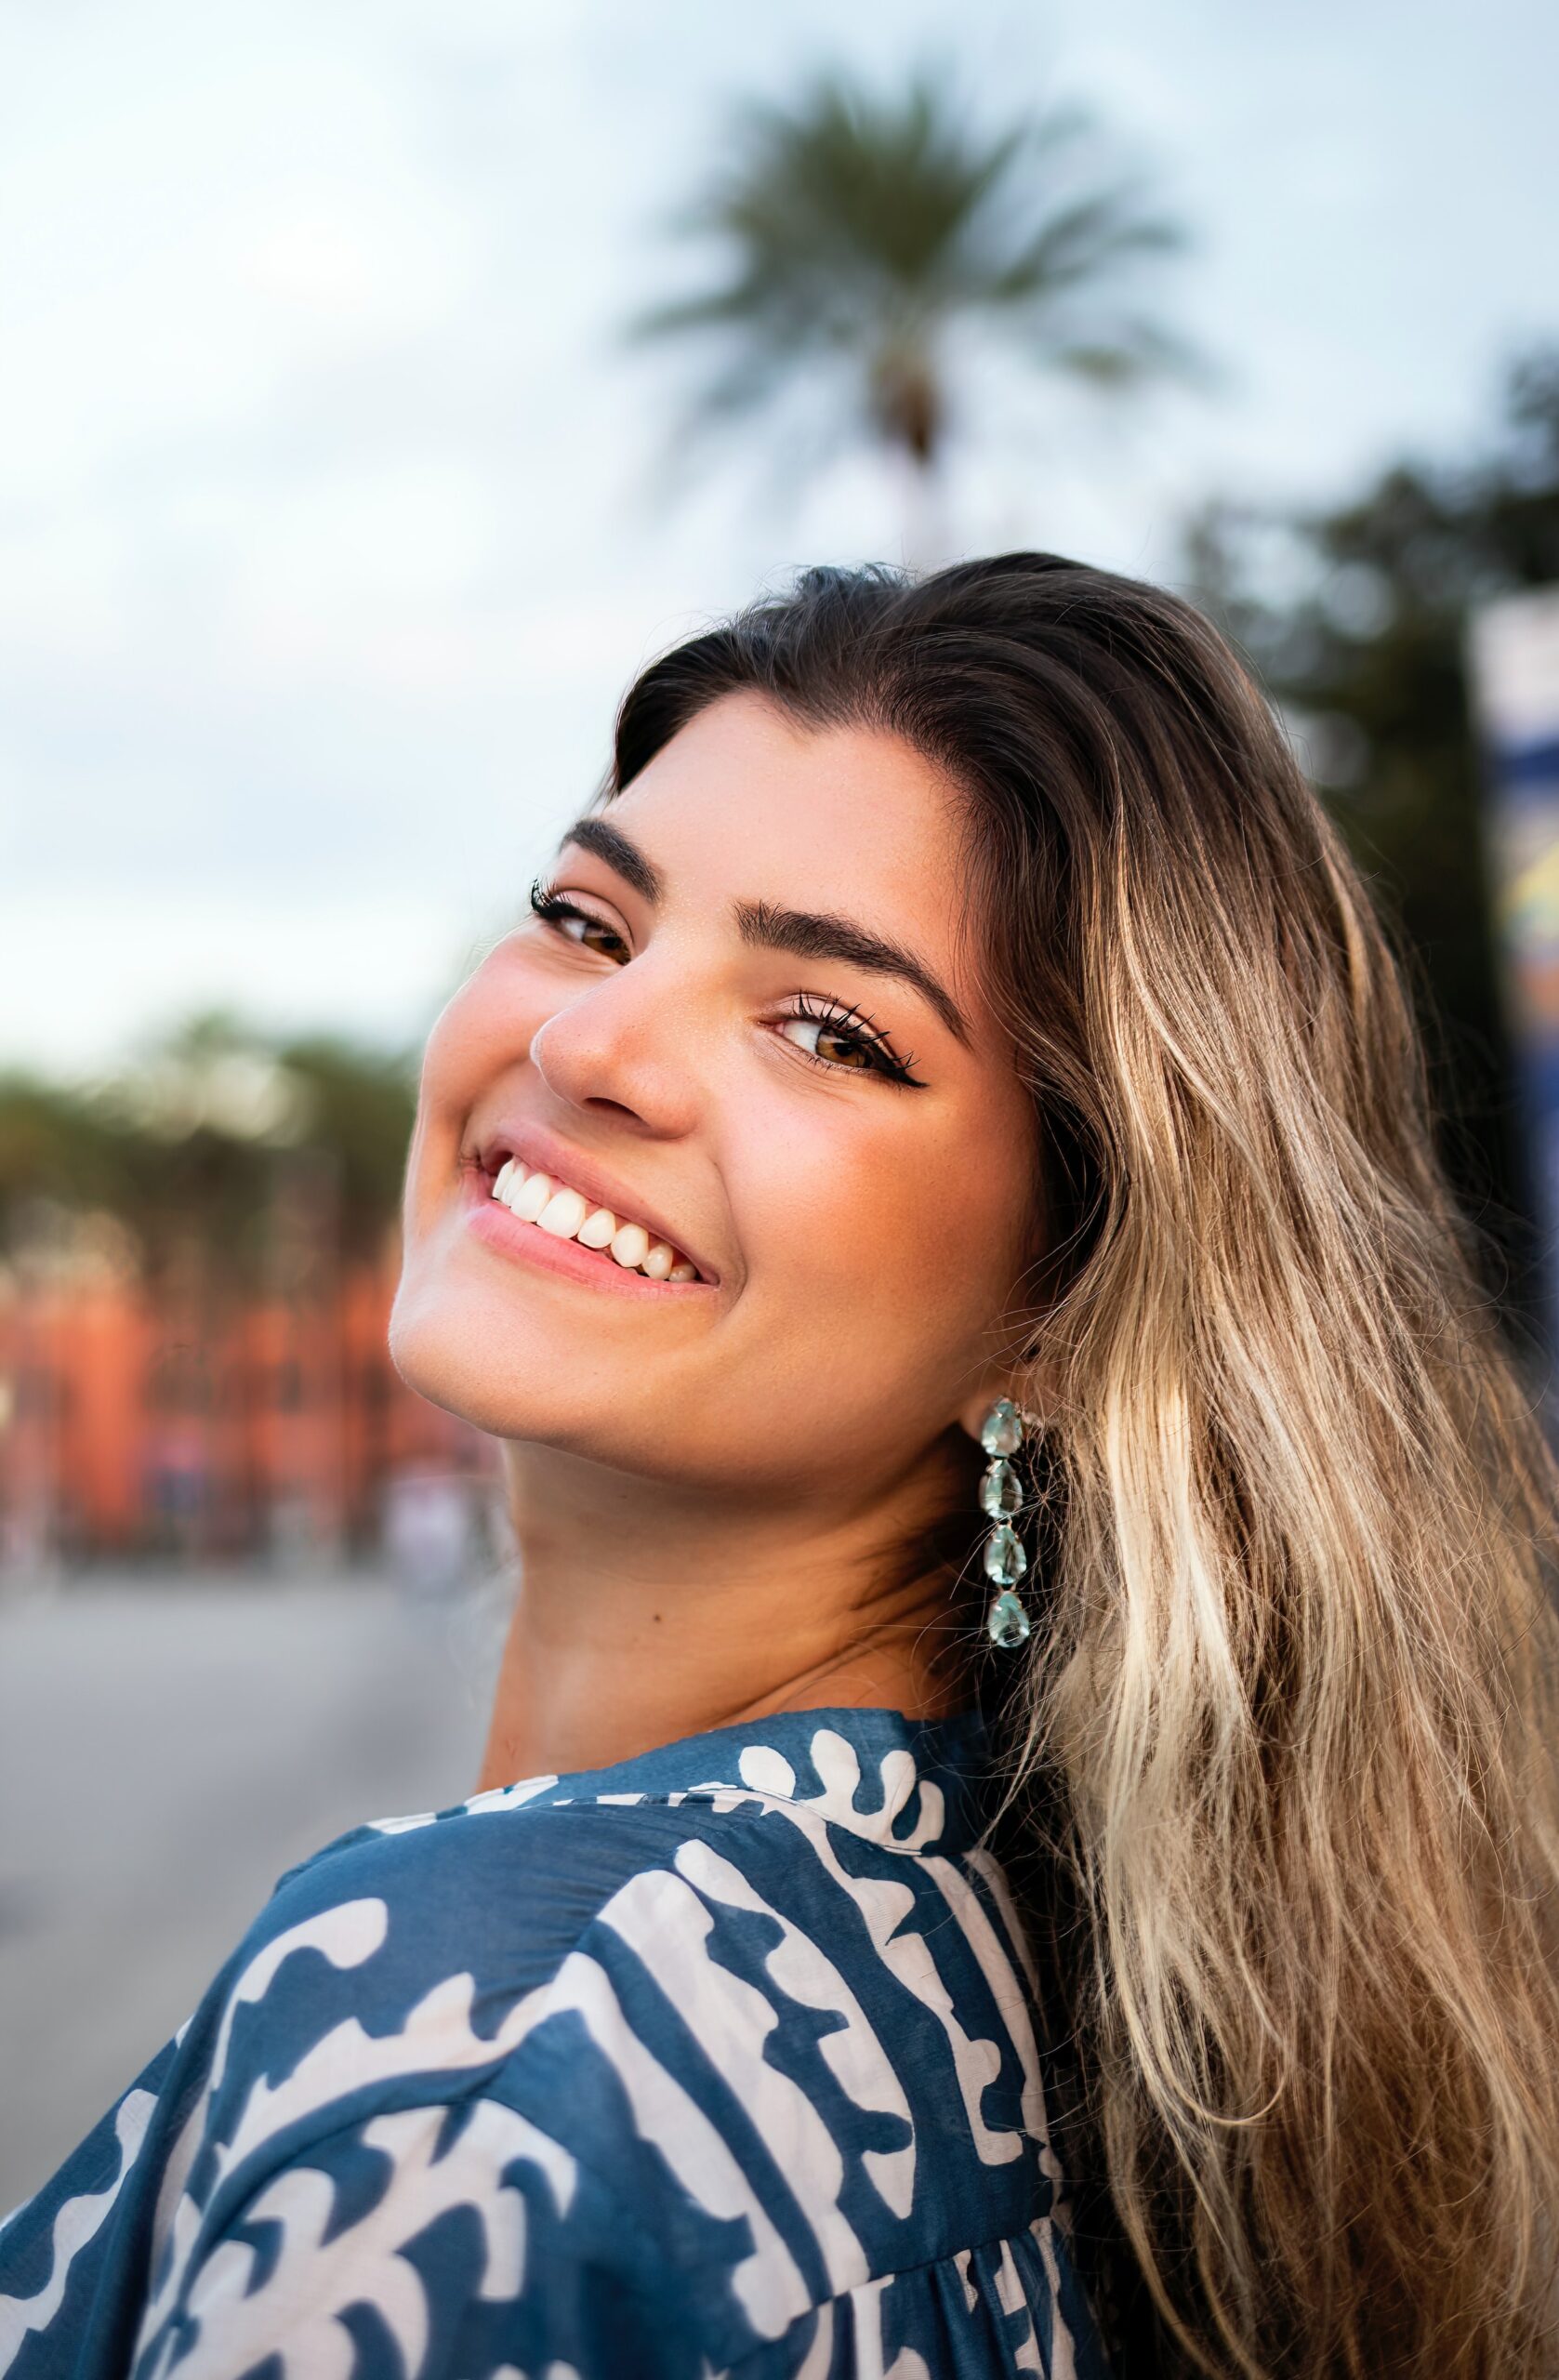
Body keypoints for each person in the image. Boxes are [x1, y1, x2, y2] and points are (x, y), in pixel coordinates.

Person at [4, 553, 1559, 2380]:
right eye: (589, 917)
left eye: (825, 1028)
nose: (585, 1040)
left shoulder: (492, 2042)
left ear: (1057, 1309)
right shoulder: (1019, 1963)